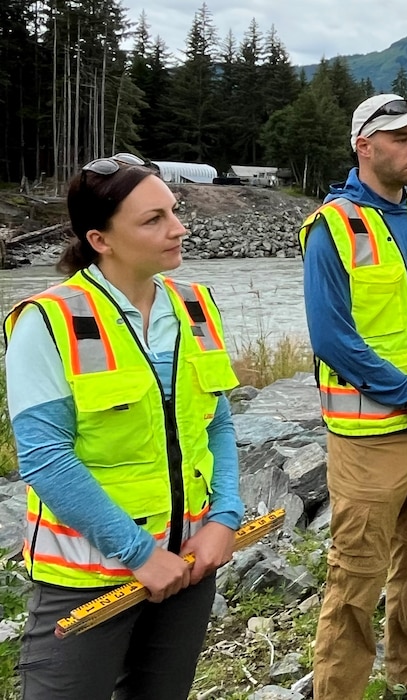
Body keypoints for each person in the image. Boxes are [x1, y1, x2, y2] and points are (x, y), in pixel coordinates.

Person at [3, 153, 243, 699]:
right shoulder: (47, 320)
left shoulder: (196, 306)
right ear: (100, 239)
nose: (178, 228)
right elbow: (45, 459)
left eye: (173, 212)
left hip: (187, 565)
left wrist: (224, 517)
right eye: (153, 219)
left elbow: (218, 422)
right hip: (88, 580)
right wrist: (139, 554)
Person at [300, 94, 407, 700]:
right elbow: (332, 336)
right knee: (356, 580)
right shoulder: (333, 227)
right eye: (402, 137)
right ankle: (338, 692)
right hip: (369, 438)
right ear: (364, 145)